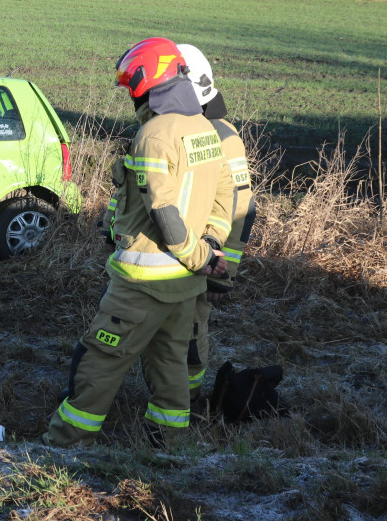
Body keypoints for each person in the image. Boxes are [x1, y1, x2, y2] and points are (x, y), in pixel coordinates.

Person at [45, 37, 234, 448]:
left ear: (150, 84)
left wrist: (197, 255)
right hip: (184, 286)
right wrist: (211, 246)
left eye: (135, 88)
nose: (133, 96)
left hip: (141, 282)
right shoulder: (205, 129)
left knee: (98, 360)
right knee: (170, 365)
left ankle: (63, 443)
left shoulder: (154, 134)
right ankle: (168, 444)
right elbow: (225, 197)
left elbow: (163, 211)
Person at [178, 44, 256, 401]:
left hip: (203, 261)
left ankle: (187, 406)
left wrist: (222, 275)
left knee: (191, 337)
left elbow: (241, 209)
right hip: (174, 255)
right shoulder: (176, 124)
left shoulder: (223, 136)